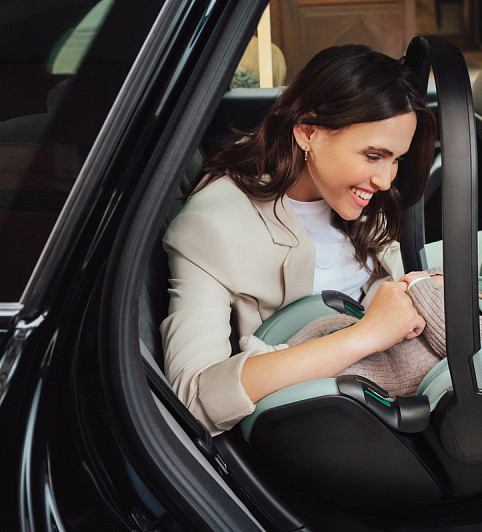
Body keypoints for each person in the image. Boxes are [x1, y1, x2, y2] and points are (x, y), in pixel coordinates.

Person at [161, 45, 437, 435]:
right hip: (320, 428)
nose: (385, 180)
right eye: (373, 156)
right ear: (308, 132)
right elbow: (191, 396)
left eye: (396, 159)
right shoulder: (211, 229)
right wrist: (367, 335)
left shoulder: (354, 193)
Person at [242, 246, 482, 396]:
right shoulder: (479, 293)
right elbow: (437, 281)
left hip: (387, 371)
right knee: (326, 326)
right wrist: (432, 280)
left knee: (348, 365)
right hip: (380, 336)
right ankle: (277, 353)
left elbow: (451, 332)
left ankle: (280, 376)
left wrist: (421, 284)